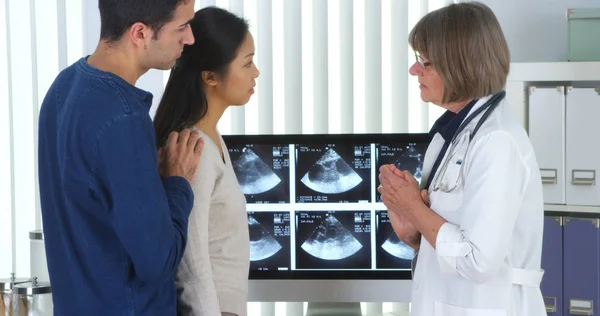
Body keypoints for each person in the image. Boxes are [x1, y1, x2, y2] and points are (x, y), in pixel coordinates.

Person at [377, 2, 546, 315]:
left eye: (424, 62)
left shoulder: (497, 142)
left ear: (460, 65)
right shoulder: (453, 135)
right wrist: (413, 230)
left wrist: (413, 206)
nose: (414, 70)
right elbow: (454, 238)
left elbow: (477, 260)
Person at [37, 0, 204, 315]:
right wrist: (178, 182)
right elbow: (157, 262)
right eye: (181, 27)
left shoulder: (63, 86)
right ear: (140, 33)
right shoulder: (123, 118)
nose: (190, 38)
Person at [153, 6, 259, 316]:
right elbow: (191, 262)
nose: (256, 73)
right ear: (210, 76)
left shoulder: (212, 138)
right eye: (248, 64)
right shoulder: (192, 148)